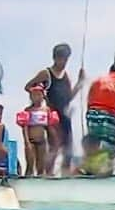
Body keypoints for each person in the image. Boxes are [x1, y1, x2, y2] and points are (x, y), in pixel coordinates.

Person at [25, 43, 86, 175]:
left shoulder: (66, 76)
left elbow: (69, 97)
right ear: (55, 58)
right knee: (55, 145)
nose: (63, 62)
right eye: (61, 58)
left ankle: (65, 174)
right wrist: (41, 97)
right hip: (53, 116)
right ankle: (48, 173)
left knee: (68, 147)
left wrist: (80, 83)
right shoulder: (46, 73)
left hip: (65, 115)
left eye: (65, 59)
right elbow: (28, 86)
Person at [16, 84, 60, 176]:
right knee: (30, 164)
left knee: (41, 166)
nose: (36, 97)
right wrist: (26, 142)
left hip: (42, 141)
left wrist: (55, 140)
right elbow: (25, 127)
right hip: (31, 141)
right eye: (33, 95)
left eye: (38, 94)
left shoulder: (47, 110)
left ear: (42, 96)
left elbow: (50, 127)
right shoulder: (28, 110)